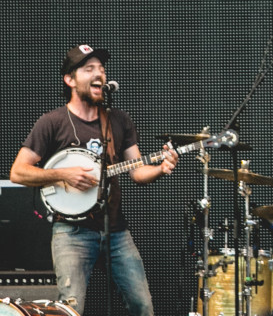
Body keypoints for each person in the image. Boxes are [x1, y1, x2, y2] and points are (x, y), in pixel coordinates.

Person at [10, 44, 179, 315]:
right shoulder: (52, 122)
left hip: (115, 231)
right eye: (89, 69)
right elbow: (18, 172)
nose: (98, 73)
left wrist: (160, 168)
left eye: (101, 68)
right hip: (71, 233)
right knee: (70, 309)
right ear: (70, 80)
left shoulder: (118, 120)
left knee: (143, 305)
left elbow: (137, 171)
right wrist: (63, 174)